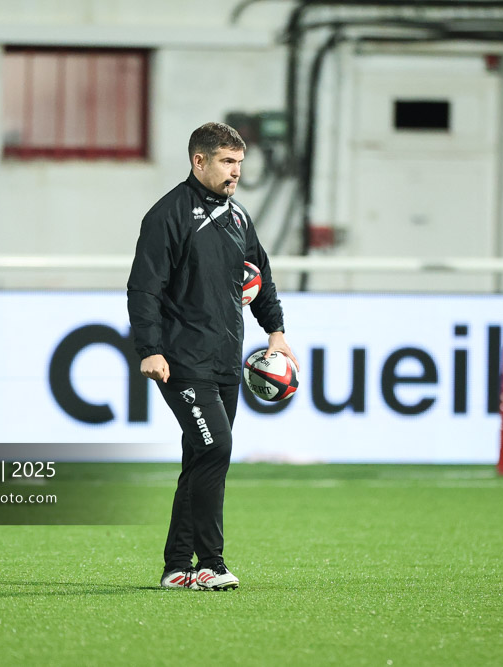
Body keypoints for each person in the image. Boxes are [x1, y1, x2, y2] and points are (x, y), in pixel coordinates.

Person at [127, 122, 298, 591]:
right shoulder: (168, 215)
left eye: (239, 162)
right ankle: (211, 564)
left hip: (226, 361)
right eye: (227, 161)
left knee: (202, 459)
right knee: (216, 448)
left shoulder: (238, 217)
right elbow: (144, 288)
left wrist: (276, 332)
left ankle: (176, 567)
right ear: (198, 161)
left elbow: (261, 276)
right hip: (182, 361)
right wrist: (150, 349)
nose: (236, 171)